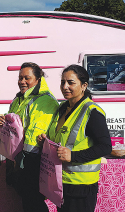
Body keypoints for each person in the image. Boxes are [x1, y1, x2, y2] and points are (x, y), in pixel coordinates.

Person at [38, 64, 112, 212]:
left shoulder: (92, 112)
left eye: (71, 82)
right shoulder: (62, 109)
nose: (65, 87)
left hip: (81, 187)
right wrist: (45, 142)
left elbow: (105, 147)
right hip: (61, 183)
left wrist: (73, 156)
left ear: (84, 85)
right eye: (62, 82)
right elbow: (61, 140)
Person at [0, 62, 59, 212]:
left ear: (38, 79)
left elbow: (34, 134)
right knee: (27, 199)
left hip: (33, 159)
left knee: (33, 200)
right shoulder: (20, 98)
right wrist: (2, 123)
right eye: (20, 78)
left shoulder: (45, 100)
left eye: (27, 78)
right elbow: (15, 125)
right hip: (21, 158)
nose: (22, 81)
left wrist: (22, 159)